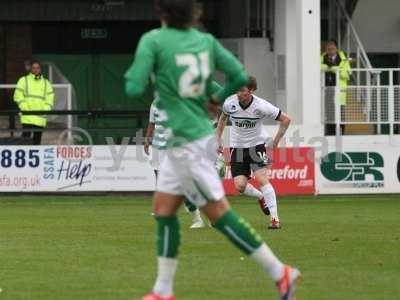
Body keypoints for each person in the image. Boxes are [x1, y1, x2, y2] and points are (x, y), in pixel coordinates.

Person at [125, 1, 300, 299]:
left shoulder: (153, 40)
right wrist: (214, 96)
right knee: (164, 209)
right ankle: (163, 289)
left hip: (188, 142)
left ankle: (280, 272)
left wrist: (151, 78)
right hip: (186, 140)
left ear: (162, 13)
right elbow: (237, 73)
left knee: (218, 214)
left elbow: (132, 85)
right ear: (193, 14)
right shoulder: (204, 42)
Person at [216, 76, 291, 230]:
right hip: (237, 147)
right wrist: (218, 138)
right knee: (240, 186)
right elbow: (223, 119)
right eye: (237, 89)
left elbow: (286, 119)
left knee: (262, 178)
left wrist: (275, 142)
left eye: (242, 90)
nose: (239, 93)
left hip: (257, 146)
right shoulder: (229, 104)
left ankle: (275, 219)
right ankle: (260, 197)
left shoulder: (261, 106)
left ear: (251, 91)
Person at [144, 97, 206, 229]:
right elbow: (152, 123)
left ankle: (199, 217)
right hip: (157, 147)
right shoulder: (155, 102)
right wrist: (147, 139)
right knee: (159, 176)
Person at [13, 60, 55, 145]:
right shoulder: (23, 80)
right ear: (30, 69)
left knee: (37, 140)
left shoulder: (46, 83)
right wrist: (24, 106)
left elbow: (50, 97)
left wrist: (46, 109)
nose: (36, 70)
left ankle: (36, 157)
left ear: (40, 69)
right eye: (34, 68)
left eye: (38, 68)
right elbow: (17, 95)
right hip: (27, 114)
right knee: (25, 138)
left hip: (40, 115)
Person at [321, 40, 351, 135]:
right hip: (327, 90)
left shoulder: (343, 60)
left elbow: (347, 74)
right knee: (329, 113)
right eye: (328, 49)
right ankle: (330, 133)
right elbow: (317, 67)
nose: (330, 51)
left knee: (340, 113)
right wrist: (328, 67)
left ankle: (341, 133)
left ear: (336, 49)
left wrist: (336, 70)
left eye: (332, 49)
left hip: (339, 91)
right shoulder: (322, 58)